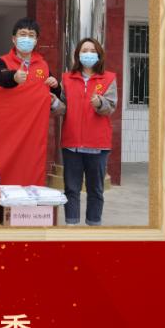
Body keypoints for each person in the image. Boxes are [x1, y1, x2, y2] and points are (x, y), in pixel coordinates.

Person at [52, 37, 118, 227]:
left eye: (92, 50)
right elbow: (63, 108)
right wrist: (54, 103)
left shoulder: (109, 78)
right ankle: (71, 225)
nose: (88, 54)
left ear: (99, 54)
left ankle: (93, 225)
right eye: (84, 51)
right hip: (71, 143)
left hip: (98, 145)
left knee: (95, 190)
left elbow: (111, 107)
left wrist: (100, 103)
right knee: (71, 189)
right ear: (78, 55)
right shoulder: (67, 78)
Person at [0, 17, 58, 91]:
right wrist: (14, 77)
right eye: (23, 34)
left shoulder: (42, 64)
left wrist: (55, 85)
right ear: (14, 39)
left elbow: (54, 92)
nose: (27, 38)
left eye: (31, 35)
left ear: (35, 41)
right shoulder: (1, 61)